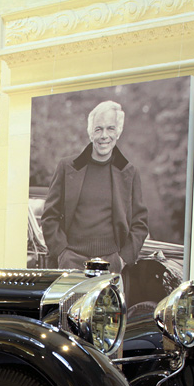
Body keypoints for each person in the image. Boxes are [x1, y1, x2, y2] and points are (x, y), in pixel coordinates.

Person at [39, 100, 148, 274]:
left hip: (111, 264)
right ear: (91, 133)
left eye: (110, 128)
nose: (104, 135)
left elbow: (140, 224)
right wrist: (62, 253)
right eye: (98, 129)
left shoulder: (129, 172)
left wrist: (122, 259)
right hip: (71, 262)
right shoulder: (67, 167)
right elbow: (49, 217)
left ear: (118, 132)